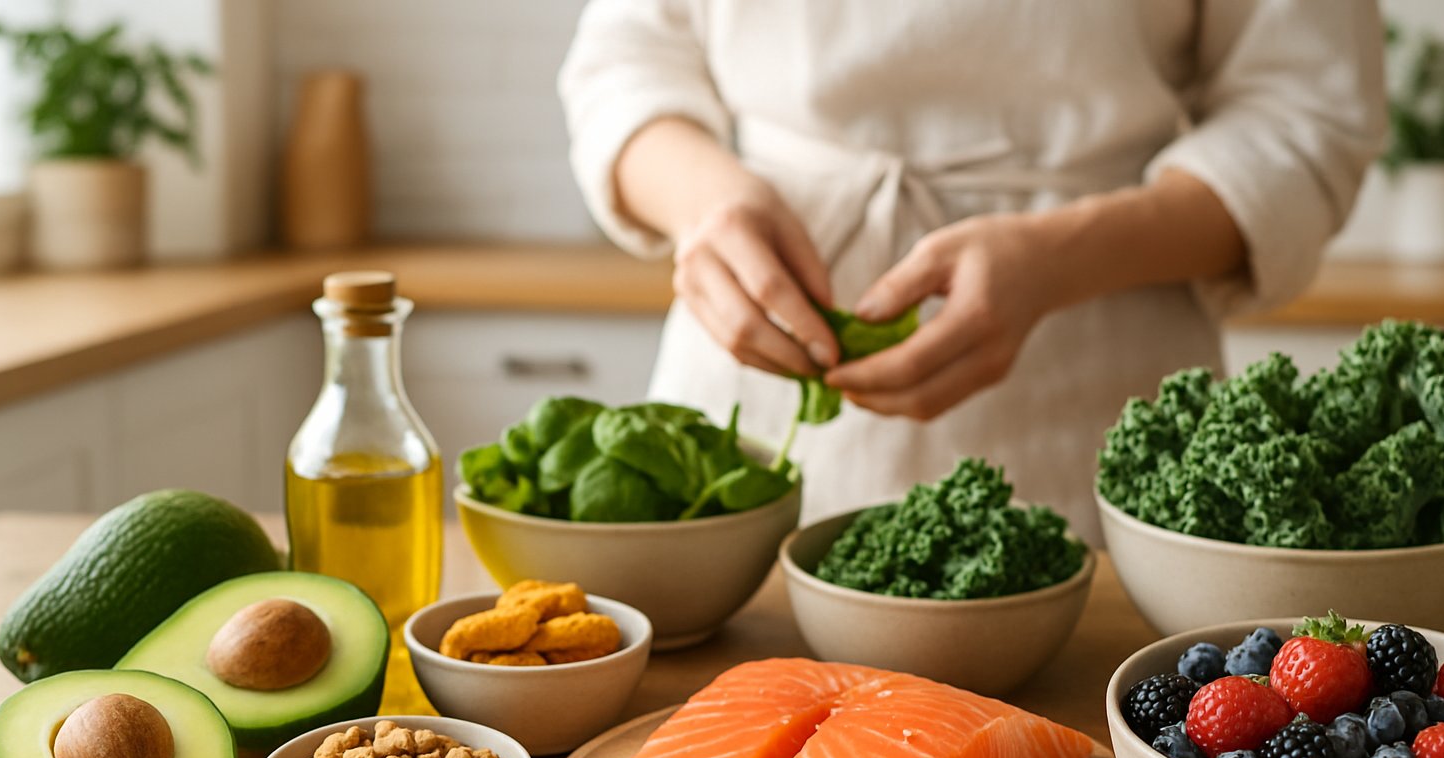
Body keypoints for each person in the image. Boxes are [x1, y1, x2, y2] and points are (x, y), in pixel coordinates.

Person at [558, 1, 1387, 543]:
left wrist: (1063, 257)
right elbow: (626, 61)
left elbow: (1307, 113)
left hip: (1099, 405)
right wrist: (705, 202)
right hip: (754, 381)